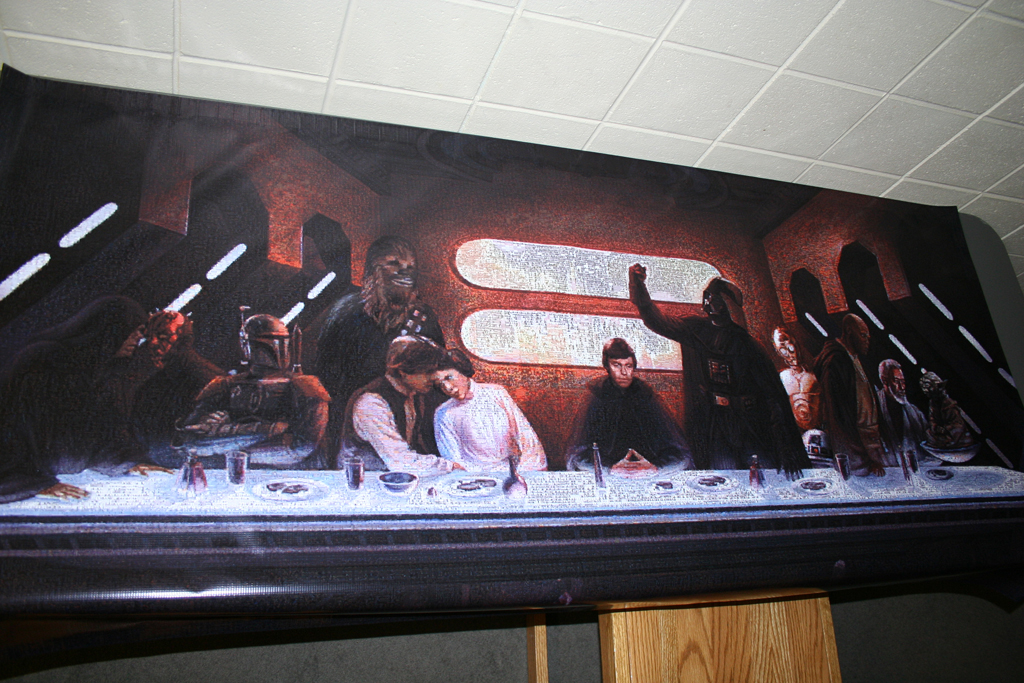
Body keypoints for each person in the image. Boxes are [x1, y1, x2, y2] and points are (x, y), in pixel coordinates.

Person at [0, 298, 219, 503]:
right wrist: (35, 484)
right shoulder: (42, 361)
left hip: (72, 481)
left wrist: (127, 462)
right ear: (110, 331)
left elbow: (100, 432)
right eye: (132, 331)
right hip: (27, 484)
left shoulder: (98, 370)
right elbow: (13, 432)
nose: (138, 338)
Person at [628, 265, 808, 475]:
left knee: (763, 477)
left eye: (716, 299)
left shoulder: (747, 344)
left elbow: (773, 396)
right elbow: (657, 321)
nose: (710, 303)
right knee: (723, 478)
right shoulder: (695, 329)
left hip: (751, 424)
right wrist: (639, 287)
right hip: (716, 425)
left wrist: (785, 445)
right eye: (708, 297)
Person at [314, 235, 444, 467]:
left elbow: (439, 372)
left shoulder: (424, 317)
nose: (404, 272)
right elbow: (325, 369)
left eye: (410, 267)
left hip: (407, 416)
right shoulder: (346, 311)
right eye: (394, 263)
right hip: (352, 419)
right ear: (374, 270)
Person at [178, 312, 330, 469]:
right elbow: (186, 441)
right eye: (265, 344)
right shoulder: (224, 385)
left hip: (293, 474)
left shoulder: (306, 386)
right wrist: (270, 431)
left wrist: (223, 435)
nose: (274, 348)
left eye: (280, 342)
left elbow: (302, 446)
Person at [565, 338, 691, 471]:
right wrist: (610, 467)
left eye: (629, 366)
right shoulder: (597, 395)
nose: (624, 372)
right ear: (607, 367)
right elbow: (579, 454)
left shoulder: (645, 395)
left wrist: (654, 466)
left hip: (646, 468)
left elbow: (676, 451)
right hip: (609, 469)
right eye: (617, 365)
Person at [341, 336, 460, 474]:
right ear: (403, 371)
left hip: (396, 477)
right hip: (365, 478)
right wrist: (451, 466)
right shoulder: (371, 403)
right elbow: (399, 461)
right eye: (427, 372)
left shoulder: (414, 395)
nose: (434, 378)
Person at [432, 347, 547, 473]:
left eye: (449, 377)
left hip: (516, 469)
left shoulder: (496, 393)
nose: (447, 387)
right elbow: (454, 460)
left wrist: (526, 470)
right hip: (476, 475)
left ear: (462, 370)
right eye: (440, 384)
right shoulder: (443, 413)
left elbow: (525, 437)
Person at [813, 314, 887, 476]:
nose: (867, 341)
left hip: (872, 444)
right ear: (848, 332)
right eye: (863, 335)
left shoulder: (855, 358)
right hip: (857, 451)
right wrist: (863, 458)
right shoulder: (835, 361)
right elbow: (838, 417)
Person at [876, 359, 929, 465]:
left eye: (903, 381)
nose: (902, 387)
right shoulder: (872, 408)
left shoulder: (915, 412)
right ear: (884, 380)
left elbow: (928, 444)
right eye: (897, 381)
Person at [772, 326, 821, 432]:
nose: (789, 353)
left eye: (789, 344)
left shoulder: (815, 372)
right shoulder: (783, 377)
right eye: (782, 349)